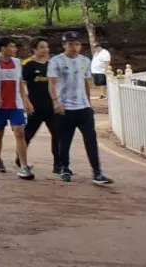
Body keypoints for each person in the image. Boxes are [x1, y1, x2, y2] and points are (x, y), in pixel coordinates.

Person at [49, 32, 113, 184]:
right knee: (65, 141)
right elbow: (51, 83)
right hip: (64, 108)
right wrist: (55, 101)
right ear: (64, 45)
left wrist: (89, 104)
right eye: (71, 44)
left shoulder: (85, 60)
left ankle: (97, 172)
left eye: (77, 44)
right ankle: (64, 168)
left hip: (83, 108)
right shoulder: (56, 61)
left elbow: (85, 83)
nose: (74, 47)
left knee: (91, 140)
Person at [0, 36, 35, 180]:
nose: (15, 49)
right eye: (12, 46)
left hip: (15, 104)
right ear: (3, 48)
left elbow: (20, 84)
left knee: (19, 133)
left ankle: (24, 166)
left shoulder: (17, 63)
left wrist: (26, 100)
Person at [19, 39, 59, 173]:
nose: (45, 50)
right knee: (28, 134)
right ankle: (20, 158)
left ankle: (58, 164)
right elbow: (21, 84)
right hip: (34, 105)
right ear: (34, 49)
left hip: (51, 105)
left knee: (57, 134)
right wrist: (25, 101)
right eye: (41, 47)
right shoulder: (28, 65)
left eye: (47, 47)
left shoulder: (52, 65)